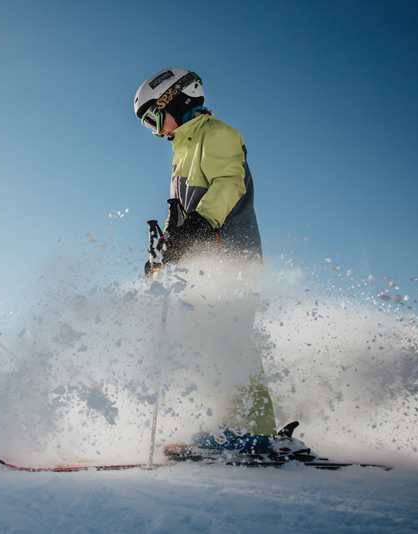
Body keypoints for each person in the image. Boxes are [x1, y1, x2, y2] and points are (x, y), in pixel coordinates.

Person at [134, 68, 308, 459]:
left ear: (174, 100)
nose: (155, 129)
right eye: (147, 124)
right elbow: (178, 213)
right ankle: (235, 422)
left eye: (154, 118)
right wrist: (163, 253)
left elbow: (230, 183)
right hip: (204, 260)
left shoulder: (217, 134)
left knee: (233, 342)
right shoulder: (182, 154)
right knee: (210, 343)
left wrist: (200, 223)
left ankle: (253, 432)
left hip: (231, 254)